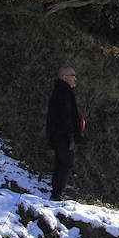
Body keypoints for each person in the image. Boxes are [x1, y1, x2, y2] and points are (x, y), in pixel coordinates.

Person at [46, 66, 85, 201]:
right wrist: (71, 136)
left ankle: (57, 194)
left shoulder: (65, 91)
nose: (75, 78)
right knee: (64, 164)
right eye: (72, 75)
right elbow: (65, 116)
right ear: (64, 77)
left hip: (62, 136)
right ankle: (56, 195)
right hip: (63, 137)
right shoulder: (63, 92)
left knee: (63, 164)